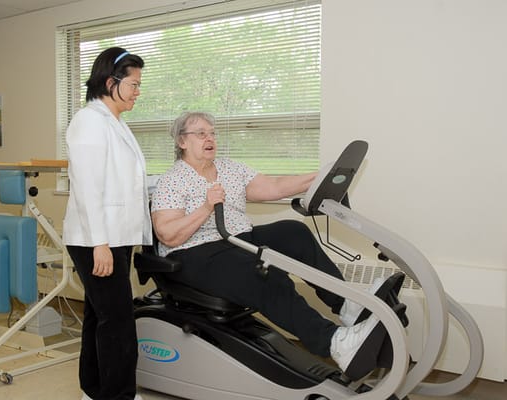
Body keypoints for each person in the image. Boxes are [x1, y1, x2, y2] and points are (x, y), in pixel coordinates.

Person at [150, 111, 401, 381]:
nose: (210, 138)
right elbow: (167, 234)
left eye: (212, 133)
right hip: (194, 254)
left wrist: (321, 177)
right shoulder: (172, 180)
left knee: (293, 232)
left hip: (236, 240)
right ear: (182, 141)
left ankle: (348, 306)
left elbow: (273, 186)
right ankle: (335, 344)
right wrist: (206, 207)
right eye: (201, 133)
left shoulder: (230, 168)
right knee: (262, 271)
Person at [63, 47, 149, 400]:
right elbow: (87, 187)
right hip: (96, 239)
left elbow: (128, 180)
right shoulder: (89, 121)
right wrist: (99, 243)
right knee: (118, 324)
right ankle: (117, 395)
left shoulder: (114, 122)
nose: (138, 91)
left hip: (114, 236)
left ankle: (93, 390)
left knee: (99, 317)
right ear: (111, 81)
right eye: (134, 83)